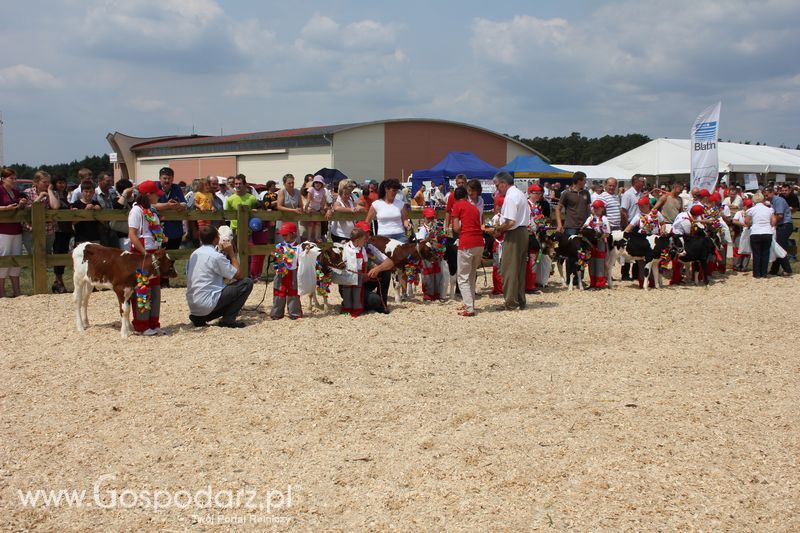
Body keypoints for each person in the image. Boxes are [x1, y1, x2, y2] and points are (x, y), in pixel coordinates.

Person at [186, 225, 254, 328]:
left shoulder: (194, 254)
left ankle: (200, 318)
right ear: (216, 239)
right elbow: (239, 275)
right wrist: (231, 253)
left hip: (194, 307)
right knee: (247, 283)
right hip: (208, 303)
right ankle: (228, 320)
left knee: (221, 291)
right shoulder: (216, 256)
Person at [486, 172, 530, 311]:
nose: (497, 189)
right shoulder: (520, 194)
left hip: (514, 234)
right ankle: (520, 299)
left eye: (497, 185)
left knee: (509, 268)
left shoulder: (510, 197)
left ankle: (511, 302)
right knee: (519, 269)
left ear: (504, 183)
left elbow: (510, 222)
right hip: (523, 232)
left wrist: (498, 229)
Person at [127, 180, 166, 335]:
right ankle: (141, 324)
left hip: (153, 253)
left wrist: (162, 238)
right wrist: (143, 253)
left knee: (155, 290)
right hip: (141, 255)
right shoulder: (136, 211)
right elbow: (132, 234)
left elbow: (154, 231)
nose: (158, 197)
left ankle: (153, 322)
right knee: (142, 290)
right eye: (156, 194)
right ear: (148, 195)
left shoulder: (150, 210)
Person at [451, 186, 485, 316]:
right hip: (479, 242)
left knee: (462, 277)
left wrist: (462, 231)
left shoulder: (457, 206)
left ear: (455, 198)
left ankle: (469, 308)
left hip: (467, 242)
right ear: (466, 196)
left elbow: (455, 227)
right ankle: (469, 303)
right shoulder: (474, 208)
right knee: (471, 275)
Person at [624, 195, 665, 288]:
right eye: (639, 206)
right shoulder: (638, 215)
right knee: (642, 263)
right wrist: (623, 235)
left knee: (655, 262)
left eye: (642, 205)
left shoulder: (656, 214)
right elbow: (630, 227)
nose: (640, 207)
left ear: (647, 205)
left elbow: (663, 224)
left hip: (654, 240)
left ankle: (654, 282)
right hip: (642, 241)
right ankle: (642, 282)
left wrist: (662, 229)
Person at [0, 168, 28, 297]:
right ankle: (2, 292)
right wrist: (5, 208)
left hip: (16, 229)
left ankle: (17, 291)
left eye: (15, 178)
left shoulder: (16, 192)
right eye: (11, 178)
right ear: (3, 179)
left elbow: (20, 205)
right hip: (3, 231)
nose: (14, 180)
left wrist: (22, 203)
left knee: (17, 258)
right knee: (4, 258)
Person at [22, 170, 59, 255]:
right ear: (36, 182)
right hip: (30, 230)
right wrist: (40, 197)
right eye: (44, 182)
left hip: (48, 231)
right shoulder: (28, 192)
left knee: (46, 257)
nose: (47, 184)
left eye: (49, 182)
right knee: (33, 256)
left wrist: (49, 191)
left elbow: (55, 206)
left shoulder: (54, 193)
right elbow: (27, 209)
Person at [271, 222, 303, 320]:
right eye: (282, 234)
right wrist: (275, 257)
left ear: (293, 234)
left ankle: (294, 312)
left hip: (293, 272)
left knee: (293, 292)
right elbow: (276, 261)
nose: (283, 236)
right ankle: (277, 313)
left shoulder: (299, 247)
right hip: (281, 272)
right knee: (279, 291)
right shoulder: (279, 246)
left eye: (285, 234)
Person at [415, 206, 447, 302]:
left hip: (436, 253)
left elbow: (441, 239)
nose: (430, 220)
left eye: (432, 218)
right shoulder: (423, 229)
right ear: (424, 217)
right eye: (428, 218)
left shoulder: (437, 228)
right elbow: (421, 243)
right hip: (426, 255)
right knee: (428, 274)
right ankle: (428, 294)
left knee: (437, 274)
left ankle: (437, 293)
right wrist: (428, 238)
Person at [365, 178, 410, 242]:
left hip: (400, 235)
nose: (395, 193)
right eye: (393, 190)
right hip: (383, 237)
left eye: (397, 191)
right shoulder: (376, 204)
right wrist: (367, 236)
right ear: (386, 189)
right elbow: (367, 222)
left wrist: (408, 225)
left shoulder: (401, 204)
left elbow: (405, 220)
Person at [340, 227, 371, 317]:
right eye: (363, 240)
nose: (365, 242)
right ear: (357, 240)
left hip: (359, 274)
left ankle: (357, 309)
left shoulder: (362, 249)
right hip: (348, 274)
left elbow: (365, 262)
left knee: (357, 292)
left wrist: (365, 274)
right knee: (347, 292)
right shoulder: (345, 247)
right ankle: (346, 308)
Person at [525, 184, 551, 292]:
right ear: (529, 193)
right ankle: (528, 285)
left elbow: (540, 220)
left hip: (537, 234)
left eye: (539, 193)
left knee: (534, 259)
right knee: (530, 260)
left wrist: (543, 224)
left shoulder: (538, 206)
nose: (537, 195)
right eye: (535, 193)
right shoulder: (526, 205)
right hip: (528, 235)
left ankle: (532, 283)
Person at [745, 193, 777, 279]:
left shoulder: (751, 210)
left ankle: (757, 273)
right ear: (763, 200)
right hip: (767, 232)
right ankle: (764, 273)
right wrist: (769, 226)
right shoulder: (769, 209)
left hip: (755, 232)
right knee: (765, 253)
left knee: (756, 253)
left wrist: (750, 225)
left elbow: (747, 221)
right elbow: (774, 221)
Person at [619, 175, 645, 280]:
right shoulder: (628, 194)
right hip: (630, 224)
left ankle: (636, 274)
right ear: (635, 182)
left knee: (638, 249)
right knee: (627, 249)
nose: (643, 183)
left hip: (640, 225)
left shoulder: (642, 194)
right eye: (642, 181)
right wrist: (626, 225)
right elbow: (623, 211)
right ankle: (625, 274)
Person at [582, 200, 612, 288]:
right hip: (591, 242)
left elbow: (607, 233)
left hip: (600, 241)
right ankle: (593, 282)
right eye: (594, 208)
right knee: (591, 261)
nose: (595, 209)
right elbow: (583, 228)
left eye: (597, 208)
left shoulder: (604, 219)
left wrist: (599, 235)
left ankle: (600, 282)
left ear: (602, 209)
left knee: (600, 261)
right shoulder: (590, 218)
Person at [765, 186, 793, 276]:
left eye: (767, 195)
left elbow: (780, 215)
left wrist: (771, 223)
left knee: (779, 248)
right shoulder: (772, 202)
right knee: (777, 247)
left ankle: (787, 270)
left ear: (772, 192)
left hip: (785, 225)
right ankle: (774, 270)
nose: (766, 197)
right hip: (781, 226)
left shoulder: (778, 200)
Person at [555, 172, 591, 236]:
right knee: (571, 245)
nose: (585, 182)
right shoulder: (566, 193)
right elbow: (558, 208)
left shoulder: (586, 193)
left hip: (584, 226)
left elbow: (588, 209)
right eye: (584, 180)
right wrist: (559, 224)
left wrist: (590, 222)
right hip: (571, 227)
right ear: (579, 181)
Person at [276, 173, 302, 242]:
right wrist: (293, 210)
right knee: (282, 245)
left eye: (292, 182)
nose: (291, 185)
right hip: (283, 221)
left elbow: (300, 205)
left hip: (293, 221)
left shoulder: (297, 191)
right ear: (284, 184)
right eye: (289, 183)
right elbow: (279, 206)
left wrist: (300, 209)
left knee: (294, 243)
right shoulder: (282, 191)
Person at [303, 175, 328, 242]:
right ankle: (309, 238)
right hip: (311, 207)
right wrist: (306, 208)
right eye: (316, 182)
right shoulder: (311, 189)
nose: (318, 184)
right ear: (314, 183)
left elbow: (323, 200)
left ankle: (317, 238)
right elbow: (308, 200)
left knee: (318, 223)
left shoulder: (323, 190)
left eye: (320, 183)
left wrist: (322, 208)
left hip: (318, 208)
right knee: (310, 223)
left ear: (322, 184)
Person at [731, 198, 753, 272]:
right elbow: (734, 221)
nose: (749, 207)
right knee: (738, 249)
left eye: (750, 206)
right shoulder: (739, 213)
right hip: (740, 232)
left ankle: (744, 266)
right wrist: (743, 224)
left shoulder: (752, 212)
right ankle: (736, 265)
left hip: (750, 232)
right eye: (748, 206)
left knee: (747, 249)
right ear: (744, 206)